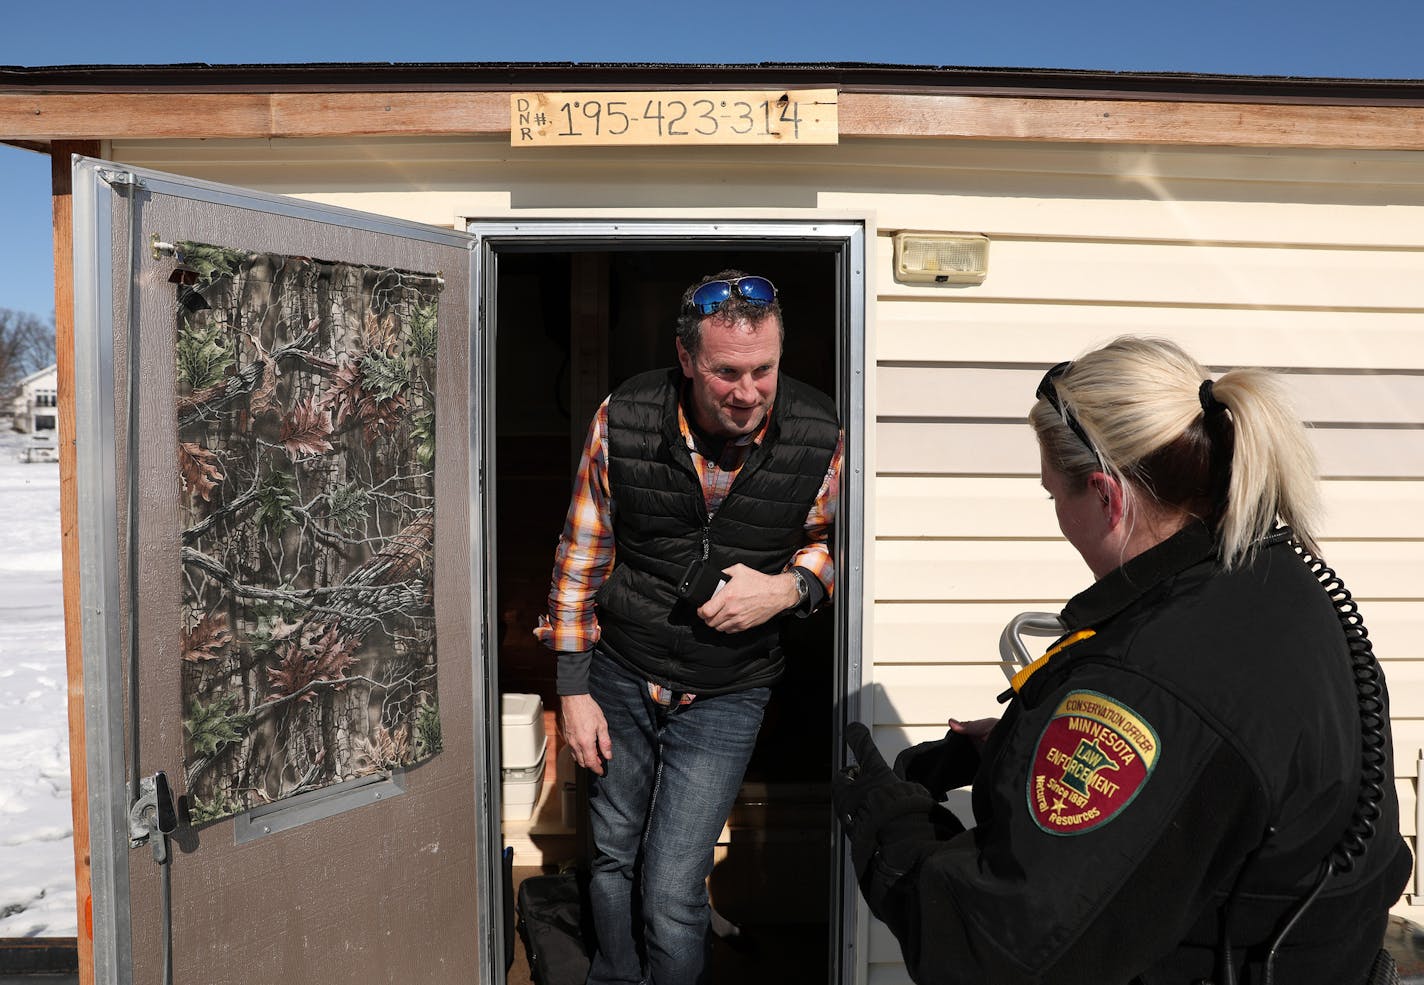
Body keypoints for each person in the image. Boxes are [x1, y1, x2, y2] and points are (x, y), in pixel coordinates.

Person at [833, 336, 1411, 985]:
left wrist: (891, 823)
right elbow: (1221, 770)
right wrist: (1019, 744)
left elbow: (999, 952)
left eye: (1056, 495)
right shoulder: (1273, 585)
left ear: (1108, 497)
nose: (1058, 514)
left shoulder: (1155, 677)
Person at [535, 270, 842, 985]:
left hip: (728, 691)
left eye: (763, 369)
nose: (748, 390)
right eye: (726, 371)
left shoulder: (821, 432)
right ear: (687, 358)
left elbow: (841, 546)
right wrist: (572, 690)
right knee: (612, 855)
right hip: (619, 672)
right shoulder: (626, 415)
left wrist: (791, 587)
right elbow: (582, 552)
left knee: (673, 888)